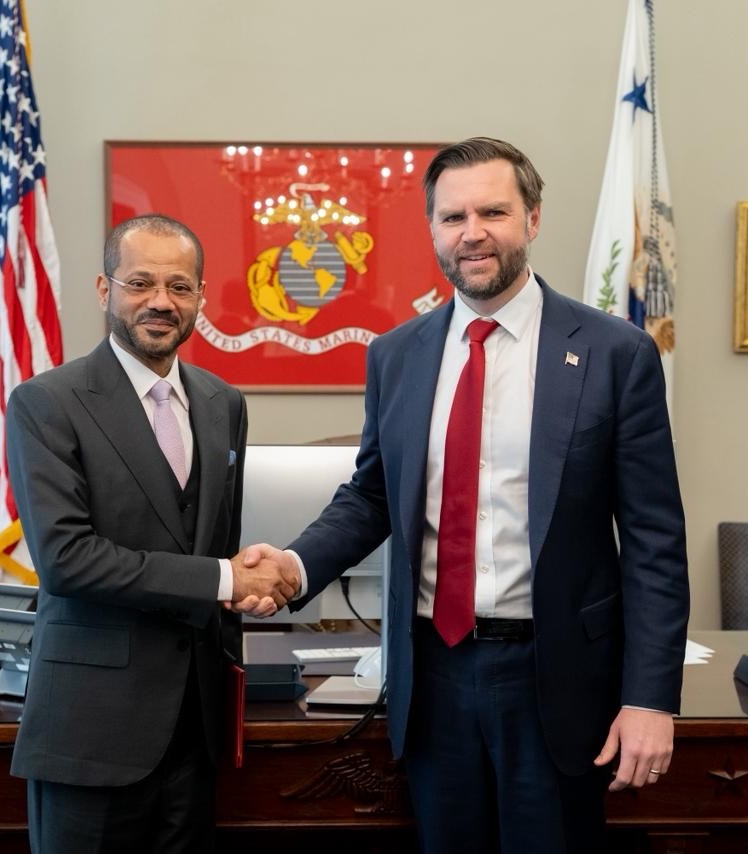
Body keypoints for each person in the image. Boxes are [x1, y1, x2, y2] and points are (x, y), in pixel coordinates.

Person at [241, 137, 689, 852]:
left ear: (532, 218)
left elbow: (654, 543)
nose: (472, 233)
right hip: (432, 677)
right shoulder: (397, 355)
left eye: (493, 212)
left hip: (555, 678)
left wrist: (650, 698)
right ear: (433, 230)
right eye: (453, 217)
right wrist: (294, 566)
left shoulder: (614, 353)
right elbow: (372, 497)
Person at [5, 214, 298, 853]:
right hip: (93, 730)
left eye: (179, 286)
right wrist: (224, 578)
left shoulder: (224, 403)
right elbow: (66, 559)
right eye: (140, 283)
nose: (161, 301)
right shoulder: (47, 403)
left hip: (198, 726)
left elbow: (216, 546)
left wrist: (247, 584)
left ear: (201, 298)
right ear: (104, 290)